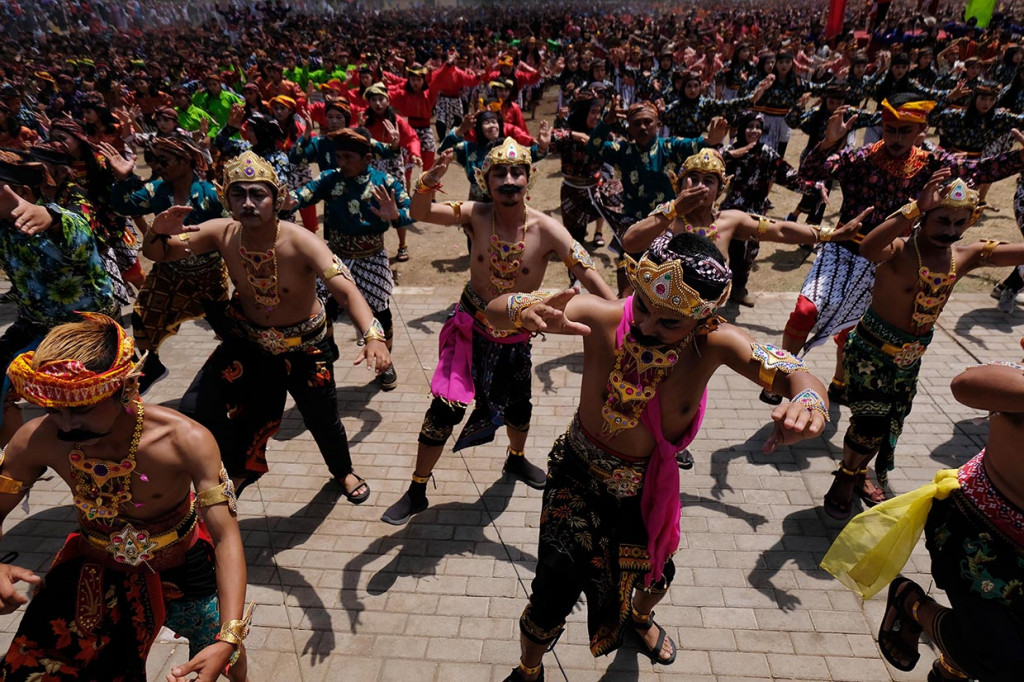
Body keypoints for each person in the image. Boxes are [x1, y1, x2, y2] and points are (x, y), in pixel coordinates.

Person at [484, 233, 831, 680]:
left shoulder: (716, 343)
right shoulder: (602, 315)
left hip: (646, 490)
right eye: (644, 306)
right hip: (576, 477)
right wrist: (521, 311)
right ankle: (528, 671)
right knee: (550, 593)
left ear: (704, 317)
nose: (647, 326)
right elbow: (496, 310)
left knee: (656, 575)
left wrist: (810, 403)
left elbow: (795, 371)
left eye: (670, 323)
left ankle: (640, 619)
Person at [0, 313, 250, 681]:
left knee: (224, 658)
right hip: (93, 568)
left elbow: (227, 536)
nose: (66, 426)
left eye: (82, 408)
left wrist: (229, 636)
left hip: (184, 569)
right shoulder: (37, 439)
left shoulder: (185, 441)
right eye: (55, 410)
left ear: (127, 387)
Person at [380, 138, 614, 526]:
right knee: (443, 410)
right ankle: (417, 489)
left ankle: (516, 460)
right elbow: (421, 212)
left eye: (516, 172)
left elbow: (589, 272)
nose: (508, 180)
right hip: (469, 331)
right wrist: (425, 183)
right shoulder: (475, 213)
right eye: (499, 173)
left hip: (516, 338)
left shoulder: (548, 229)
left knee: (520, 407)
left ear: (529, 178)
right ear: (485, 180)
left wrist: (619, 316)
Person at [141, 151, 390, 502]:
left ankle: (343, 471)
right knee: (197, 406)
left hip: (306, 348)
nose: (248, 203)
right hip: (250, 343)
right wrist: (157, 232)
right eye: (238, 194)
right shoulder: (220, 232)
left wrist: (373, 336)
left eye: (258, 193)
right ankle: (239, 467)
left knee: (322, 419)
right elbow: (159, 253)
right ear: (225, 198)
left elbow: (346, 291)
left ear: (277, 198)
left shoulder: (302, 241)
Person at [767, 93, 1024, 405]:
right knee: (806, 311)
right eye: (891, 130)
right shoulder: (860, 157)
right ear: (883, 128)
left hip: (891, 259)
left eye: (906, 130)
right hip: (844, 249)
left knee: (855, 329)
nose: (897, 138)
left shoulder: (934, 164)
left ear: (920, 131)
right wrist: (827, 143)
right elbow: (807, 174)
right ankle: (780, 377)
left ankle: (839, 383)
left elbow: (982, 170)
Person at [824, 173, 1024, 518]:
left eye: (960, 223)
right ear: (925, 217)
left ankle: (858, 474)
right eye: (943, 219)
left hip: (909, 362)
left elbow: (1014, 254)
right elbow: (868, 248)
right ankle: (844, 476)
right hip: (869, 352)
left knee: (887, 423)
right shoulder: (900, 249)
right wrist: (914, 208)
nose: (950, 230)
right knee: (869, 423)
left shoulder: (964, 256)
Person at [821, 358, 1024, 681]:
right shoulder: (1014, 381)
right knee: (1002, 660)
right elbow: (965, 384)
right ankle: (913, 605)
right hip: (981, 532)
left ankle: (953, 663)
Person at [0, 151, 115, 445]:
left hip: (85, 331)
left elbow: (77, 229)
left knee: (89, 412)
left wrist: (50, 216)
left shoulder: (56, 221)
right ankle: (13, 465)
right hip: (36, 326)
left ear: (23, 192)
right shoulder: (2, 228)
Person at [102, 135, 229, 394]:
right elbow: (123, 205)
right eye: (156, 161)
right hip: (168, 272)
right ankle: (153, 365)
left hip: (208, 275)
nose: (159, 166)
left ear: (187, 160)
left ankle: (237, 372)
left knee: (226, 327)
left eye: (165, 160)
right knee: (142, 315)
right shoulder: (157, 189)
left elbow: (233, 230)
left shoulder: (211, 193)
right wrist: (124, 179)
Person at [292, 128, 412, 390]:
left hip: (372, 257)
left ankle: (385, 363)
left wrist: (395, 215)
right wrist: (279, 200)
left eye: (348, 157)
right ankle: (327, 352)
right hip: (334, 257)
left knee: (380, 313)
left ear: (368, 158)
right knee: (321, 310)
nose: (341, 163)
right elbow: (301, 197)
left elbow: (410, 210)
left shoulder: (385, 182)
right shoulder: (329, 178)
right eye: (338, 156)